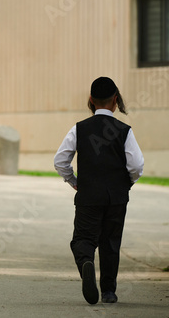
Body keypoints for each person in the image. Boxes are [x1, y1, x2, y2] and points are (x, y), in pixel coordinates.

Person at [54, 77, 144, 305]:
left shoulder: (79, 129)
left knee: (83, 239)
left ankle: (86, 261)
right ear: (116, 100)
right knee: (111, 242)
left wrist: (73, 180)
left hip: (88, 196)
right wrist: (127, 183)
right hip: (116, 197)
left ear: (92, 100)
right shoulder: (125, 131)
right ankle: (109, 292)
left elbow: (60, 160)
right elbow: (136, 165)